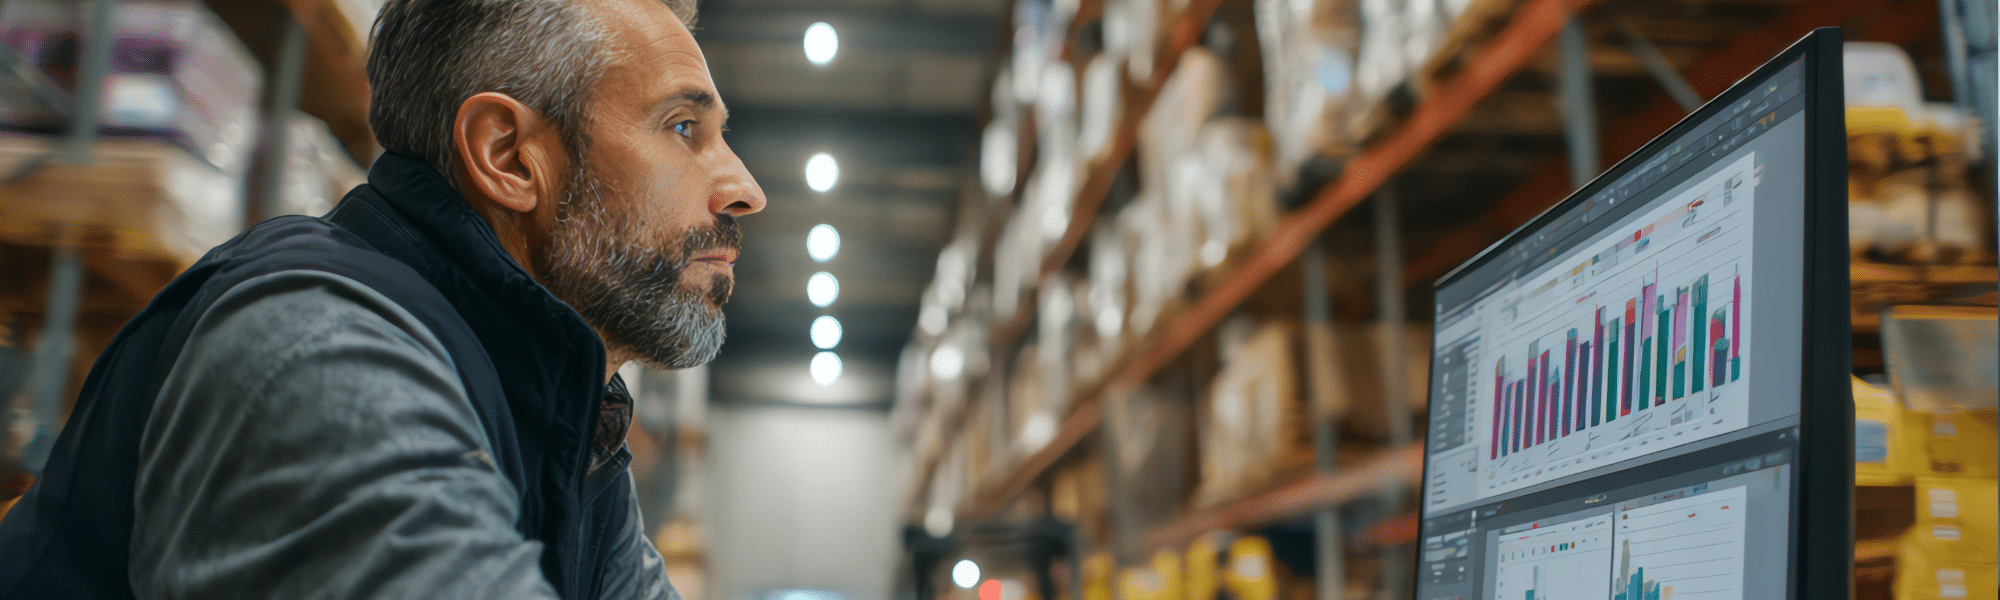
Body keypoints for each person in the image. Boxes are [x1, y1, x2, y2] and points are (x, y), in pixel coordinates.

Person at [0, 0, 763, 597]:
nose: (745, 190)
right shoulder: (318, 347)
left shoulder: (564, 422)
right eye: (683, 126)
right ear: (508, 156)